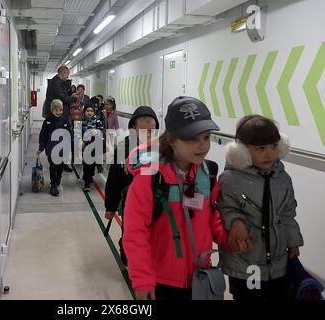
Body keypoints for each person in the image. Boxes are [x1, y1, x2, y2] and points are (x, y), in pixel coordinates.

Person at [122, 96, 230, 300]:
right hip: (161, 280)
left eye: (206, 137)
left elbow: (211, 219)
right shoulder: (150, 177)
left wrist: (229, 236)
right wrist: (142, 278)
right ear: (171, 139)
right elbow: (135, 232)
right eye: (192, 139)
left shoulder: (206, 173)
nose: (202, 146)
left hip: (199, 276)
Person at [217, 114, 304, 301]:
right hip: (246, 262)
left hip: (278, 261)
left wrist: (292, 240)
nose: (269, 154)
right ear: (242, 151)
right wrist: (236, 222)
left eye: (274, 146)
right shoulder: (230, 180)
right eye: (260, 148)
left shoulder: (282, 178)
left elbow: (288, 213)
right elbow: (225, 208)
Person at [105, 106, 159, 266]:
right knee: (131, 233)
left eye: (152, 130)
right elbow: (114, 180)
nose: (148, 134)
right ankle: (128, 258)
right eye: (143, 130)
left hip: (155, 203)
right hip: (130, 203)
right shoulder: (124, 148)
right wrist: (110, 206)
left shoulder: (160, 149)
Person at [43, 66, 75, 173]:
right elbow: (63, 98)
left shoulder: (57, 82)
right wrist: (74, 98)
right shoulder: (56, 83)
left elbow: (64, 95)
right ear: (63, 73)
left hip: (60, 115)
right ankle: (56, 163)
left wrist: (70, 94)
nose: (68, 76)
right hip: (58, 116)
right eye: (67, 74)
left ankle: (61, 162)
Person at [37, 99, 71, 197]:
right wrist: (41, 147)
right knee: (53, 166)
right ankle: (53, 185)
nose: (58, 112)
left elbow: (69, 134)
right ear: (52, 110)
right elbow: (43, 135)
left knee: (60, 166)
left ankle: (58, 179)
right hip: (51, 148)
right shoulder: (47, 121)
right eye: (56, 110)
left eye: (60, 110)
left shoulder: (65, 120)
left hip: (62, 148)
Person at [76, 105, 105, 192]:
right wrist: (80, 140)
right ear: (84, 112)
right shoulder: (80, 121)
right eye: (87, 111)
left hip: (95, 145)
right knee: (87, 163)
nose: (89, 112)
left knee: (91, 164)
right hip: (85, 146)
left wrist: (98, 132)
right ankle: (87, 181)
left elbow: (103, 131)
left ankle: (90, 176)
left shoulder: (97, 121)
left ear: (94, 112)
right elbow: (77, 132)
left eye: (91, 111)